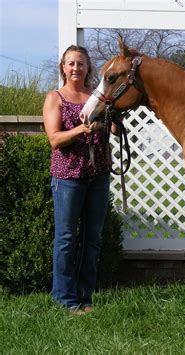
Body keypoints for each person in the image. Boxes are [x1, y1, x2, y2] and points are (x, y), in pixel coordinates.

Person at [43, 45, 116, 314]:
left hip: (97, 175)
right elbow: (54, 139)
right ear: (63, 67)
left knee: (92, 238)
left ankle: (85, 298)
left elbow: (114, 130)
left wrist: (114, 119)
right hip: (68, 177)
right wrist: (82, 129)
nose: (76, 68)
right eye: (71, 63)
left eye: (81, 64)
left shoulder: (96, 97)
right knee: (65, 238)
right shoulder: (56, 98)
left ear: (88, 68)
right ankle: (65, 298)